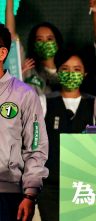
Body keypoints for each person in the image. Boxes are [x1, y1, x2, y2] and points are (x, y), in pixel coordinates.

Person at [37, 48, 96, 221]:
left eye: (76, 70)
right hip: (51, 184)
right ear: (58, 72)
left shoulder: (94, 101)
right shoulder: (45, 101)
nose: (71, 74)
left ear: (85, 73)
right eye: (65, 69)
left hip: (83, 183)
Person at [0, 24, 49, 221]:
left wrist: (30, 193)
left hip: (7, 193)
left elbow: (35, 147)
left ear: (2, 52)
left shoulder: (24, 94)